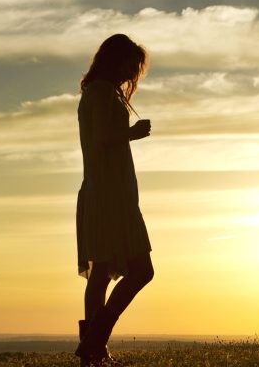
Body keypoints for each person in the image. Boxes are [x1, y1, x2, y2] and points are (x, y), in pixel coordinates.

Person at [74, 33, 154, 366]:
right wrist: (131, 133)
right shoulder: (100, 93)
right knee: (141, 271)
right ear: (115, 59)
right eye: (130, 64)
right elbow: (100, 140)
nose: (132, 72)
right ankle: (94, 341)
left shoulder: (102, 93)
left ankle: (93, 350)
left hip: (107, 192)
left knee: (102, 272)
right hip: (109, 196)